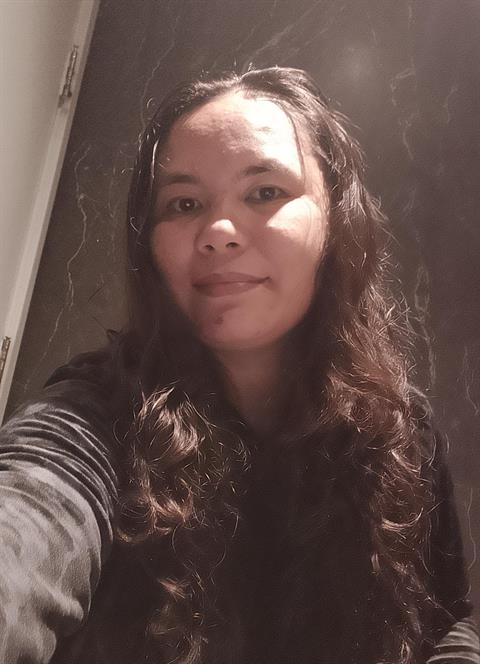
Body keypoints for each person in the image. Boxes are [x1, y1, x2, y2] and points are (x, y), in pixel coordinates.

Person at [0, 67, 478, 664]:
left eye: (265, 192)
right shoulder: (93, 417)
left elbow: (448, 620)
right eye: (184, 203)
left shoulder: (401, 430)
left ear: (336, 221)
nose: (219, 232)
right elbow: (28, 521)